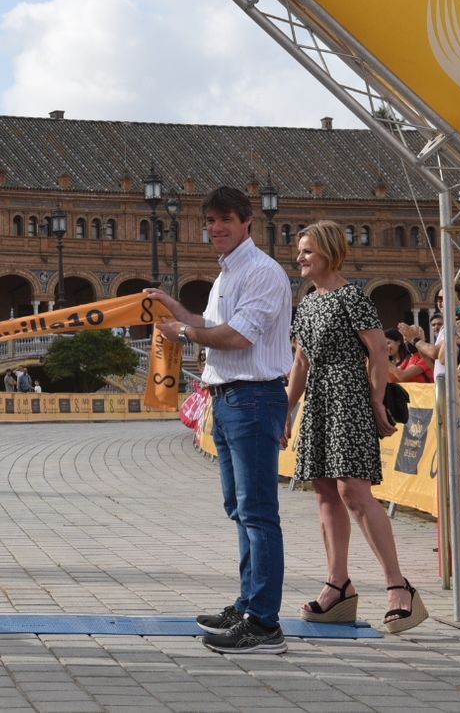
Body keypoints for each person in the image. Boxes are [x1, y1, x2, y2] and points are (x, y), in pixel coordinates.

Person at [150, 186, 293, 655]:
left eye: (225, 219)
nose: (216, 228)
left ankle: (264, 623)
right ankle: (248, 604)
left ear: (248, 221)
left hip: (253, 397)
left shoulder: (262, 272)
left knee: (258, 512)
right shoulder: (227, 274)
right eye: (210, 221)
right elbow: (210, 326)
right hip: (229, 400)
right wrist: (174, 309)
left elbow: (237, 337)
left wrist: (184, 331)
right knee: (240, 508)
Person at [286, 221, 427, 633]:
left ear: (329, 253)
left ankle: (399, 586)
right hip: (319, 400)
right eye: (300, 250)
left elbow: (379, 350)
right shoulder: (307, 304)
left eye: (307, 251)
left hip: (349, 398)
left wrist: (376, 399)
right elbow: (300, 362)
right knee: (325, 491)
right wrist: (286, 409)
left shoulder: (352, 298)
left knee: (354, 491)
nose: (299, 257)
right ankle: (338, 585)